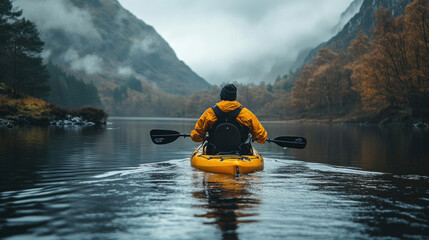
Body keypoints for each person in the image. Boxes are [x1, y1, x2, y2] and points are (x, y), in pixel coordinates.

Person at [191, 84, 267, 154]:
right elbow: (262, 137)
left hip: (214, 152)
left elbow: (196, 137)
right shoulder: (246, 114)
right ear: (234, 97)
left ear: (221, 96)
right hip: (241, 153)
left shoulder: (210, 113)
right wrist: (254, 138)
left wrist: (203, 137)